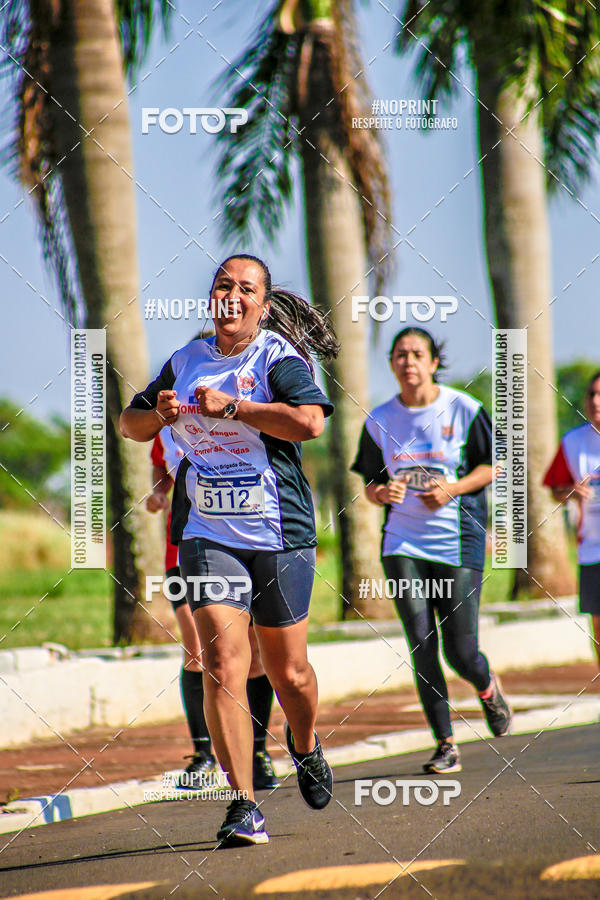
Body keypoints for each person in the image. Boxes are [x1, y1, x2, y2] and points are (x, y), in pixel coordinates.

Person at [121, 254, 338, 846]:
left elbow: (310, 422)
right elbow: (128, 424)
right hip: (207, 532)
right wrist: (158, 413)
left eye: (246, 288)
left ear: (262, 305)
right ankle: (242, 803)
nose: (233, 295)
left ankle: (303, 743)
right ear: (212, 298)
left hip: (278, 529)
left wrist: (235, 407)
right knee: (222, 662)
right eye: (224, 285)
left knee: (290, 674)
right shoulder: (185, 360)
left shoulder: (276, 357)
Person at [351, 327, 512, 774]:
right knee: (422, 644)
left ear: (433, 362)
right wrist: (382, 494)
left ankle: (486, 688)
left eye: (417, 354)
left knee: (461, 652)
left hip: (457, 541)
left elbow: (494, 463)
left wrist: (453, 488)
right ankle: (445, 744)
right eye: (400, 355)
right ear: (391, 364)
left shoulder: (462, 407)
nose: (409, 362)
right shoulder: (380, 418)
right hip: (402, 543)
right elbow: (369, 482)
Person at [146, 426, 279, 791]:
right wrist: (159, 493)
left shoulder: (242, 412)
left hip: (249, 546)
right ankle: (204, 755)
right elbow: (161, 469)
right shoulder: (166, 425)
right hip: (188, 550)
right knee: (197, 649)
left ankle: (256, 751)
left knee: (254, 653)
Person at [543, 371, 600, 667]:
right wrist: (570, 491)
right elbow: (554, 490)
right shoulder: (573, 441)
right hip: (592, 548)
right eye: (591, 394)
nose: (595, 401)